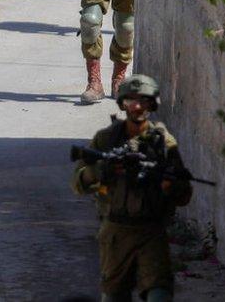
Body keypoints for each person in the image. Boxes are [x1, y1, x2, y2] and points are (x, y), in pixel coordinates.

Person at [71, 75, 192, 302]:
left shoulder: (163, 143)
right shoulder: (106, 140)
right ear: (122, 104)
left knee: (159, 294)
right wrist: (101, 171)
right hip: (116, 232)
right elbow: (79, 184)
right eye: (130, 101)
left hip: (151, 232)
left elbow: (184, 195)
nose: (136, 107)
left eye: (143, 101)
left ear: (152, 104)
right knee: (114, 296)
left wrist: (169, 184)